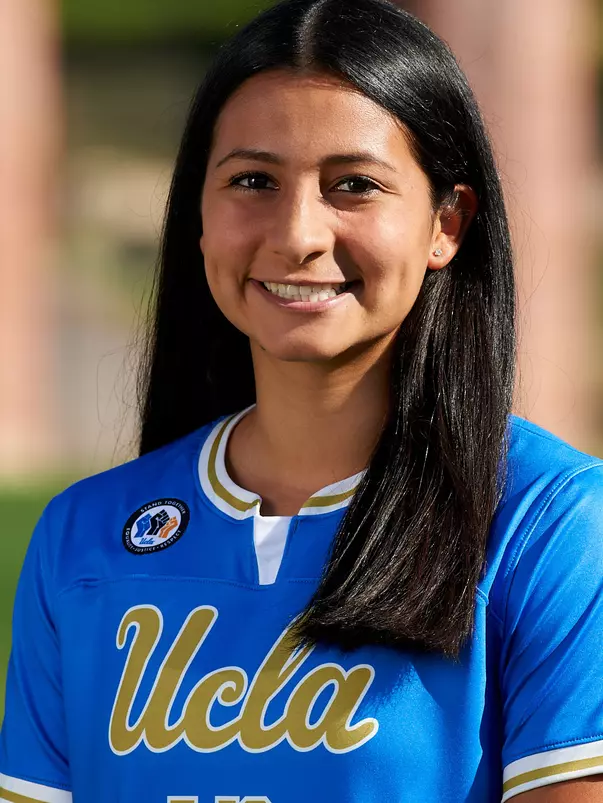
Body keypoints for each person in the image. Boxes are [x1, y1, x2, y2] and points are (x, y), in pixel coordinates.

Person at [1, 0, 603, 800]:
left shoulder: (547, 524)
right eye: (253, 181)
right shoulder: (82, 537)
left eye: (353, 185)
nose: (296, 234)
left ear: (446, 223)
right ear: (199, 215)